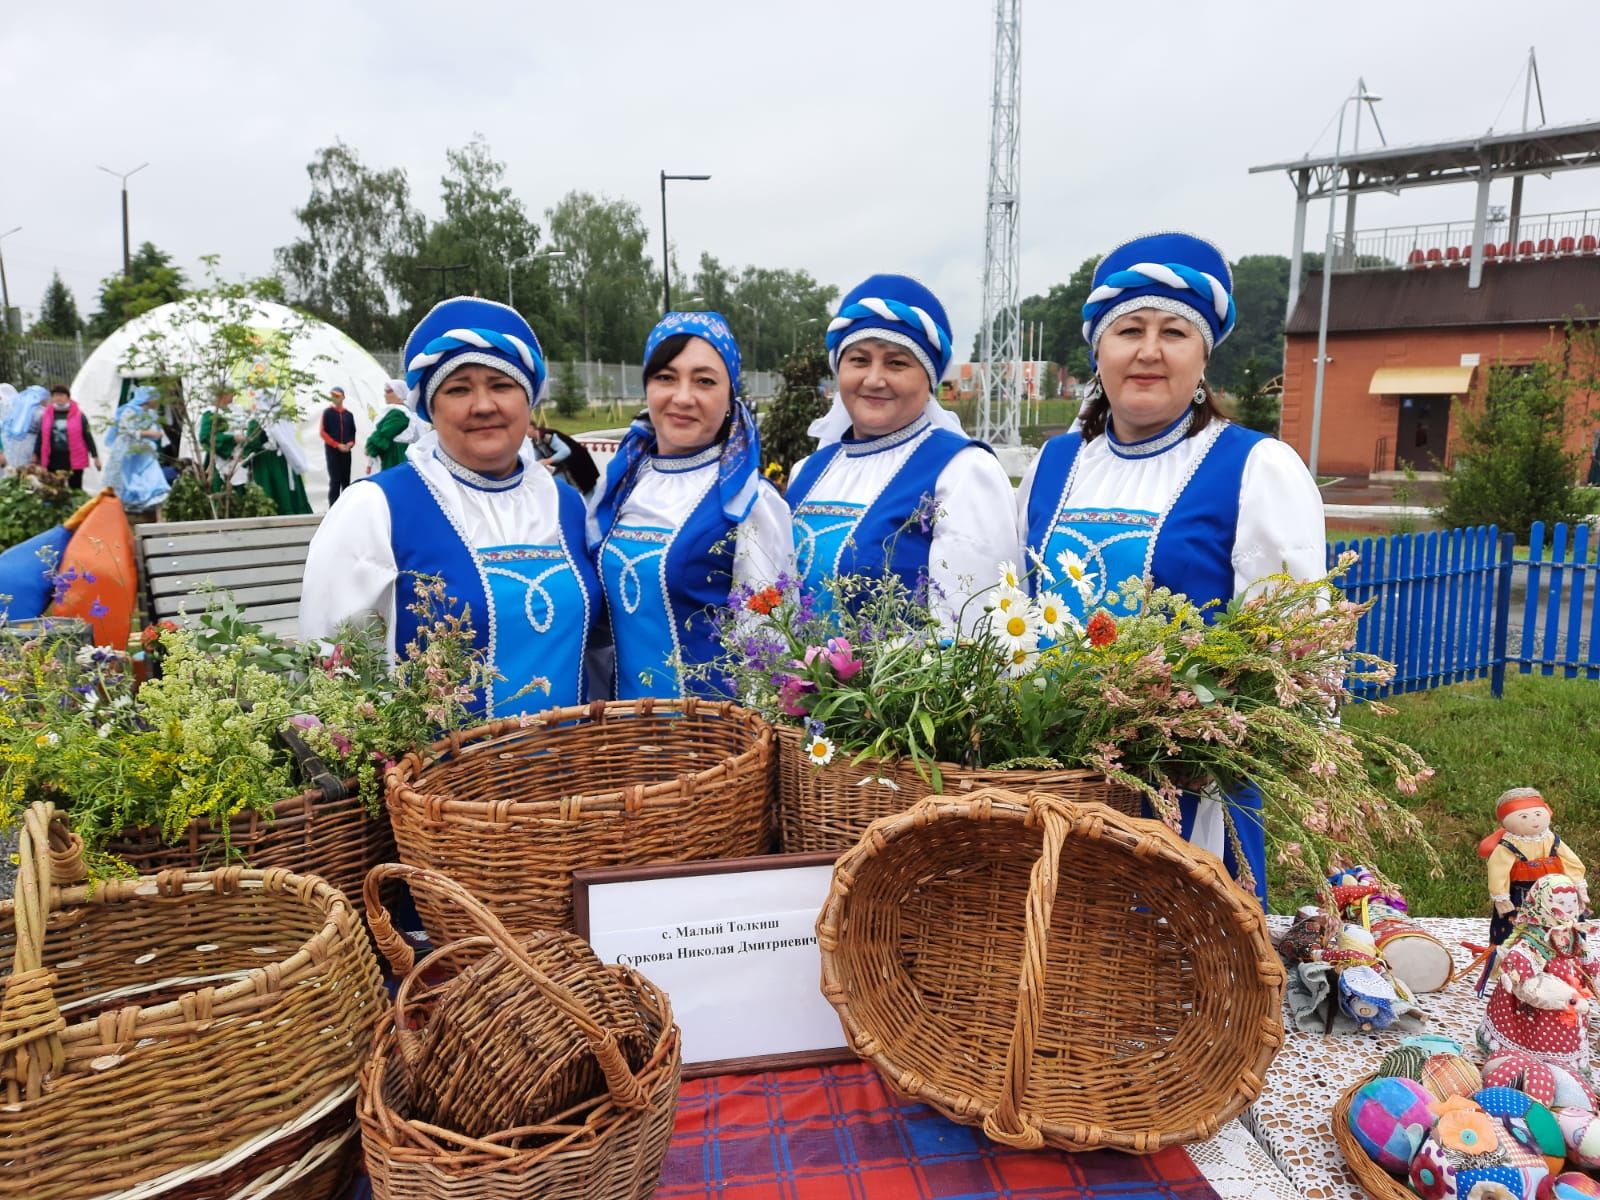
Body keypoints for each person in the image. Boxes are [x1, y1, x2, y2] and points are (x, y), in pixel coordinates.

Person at [1016, 231, 1326, 907]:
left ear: (1203, 354)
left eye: (1174, 332)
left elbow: (1294, 655)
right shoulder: (1052, 466)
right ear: (1098, 349)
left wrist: (1190, 727)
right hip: (1049, 781)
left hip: (1187, 788)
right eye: (1129, 329)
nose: (1149, 351)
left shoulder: (1255, 467)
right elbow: (1012, 609)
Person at [299, 297, 599, 718]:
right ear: (429, 407)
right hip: (443, 779)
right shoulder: (376, 508)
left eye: (502, 385)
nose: (483, 405)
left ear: (528, 400)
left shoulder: (565, 504)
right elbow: (331, 668)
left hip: (570, 776)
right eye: (458, 389)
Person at [786, 274, 1018, 631]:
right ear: (838, 370)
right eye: (859, 360)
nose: (875, 379)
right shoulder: (808, 471)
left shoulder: (963, 472)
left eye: (897, 363)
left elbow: (971, 634)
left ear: (929, 379)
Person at [591, 311, 794, 699]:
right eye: (666, 378)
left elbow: (769, 654)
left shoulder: (750, 501)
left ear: (730, 394)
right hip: (624, 742)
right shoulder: (622, 482)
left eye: (704, 381)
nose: (682, 397)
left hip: (711, 744)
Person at [101, 386, 172, 511]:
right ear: (148, 399)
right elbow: (126, 430)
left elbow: (154, 429)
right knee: (126, 478)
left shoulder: (151, 414)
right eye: (155, 398)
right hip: (128, 450)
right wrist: (146, 433)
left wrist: (156, 434)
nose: (157, 401)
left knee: (151, 475)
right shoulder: (130, 411)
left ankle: (152, 503)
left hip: (145, 452)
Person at [243, 402, 313, 515]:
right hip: (286, 458)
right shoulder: (283, 418)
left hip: (267, 461)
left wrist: (244, 452)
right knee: (286, 487)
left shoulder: (258, 419)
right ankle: (292, 510)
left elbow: (253, 442)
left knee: (274, 488)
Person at [36, 385, 101, 489]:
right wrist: (35, 454)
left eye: (62, 395)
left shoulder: (79, 415)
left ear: (68, 397)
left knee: (75, 487)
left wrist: (95, 456)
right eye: (56, 395)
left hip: (73, 457)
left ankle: (76, 505)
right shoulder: (46, 415)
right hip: (53, 458)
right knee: (54, 488)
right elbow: (41, 436)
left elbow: (87, 436)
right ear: (52, 398)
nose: (59, 398)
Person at [365, 378, 427, 474]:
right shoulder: (401, 412)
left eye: (389, 391)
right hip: (395, 455)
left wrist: (370, 448)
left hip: (394, 457)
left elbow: (384, 434)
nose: (385, 394)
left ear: (399, 394)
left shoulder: (399, 413)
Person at [199, 389, 248, 493]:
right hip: (221, 458)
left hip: (239, 457)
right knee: (222, 491)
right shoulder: (210, 413)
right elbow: (206, 437)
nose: (233, 395)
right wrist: (232, 439)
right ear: (222, 395)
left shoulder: (235, 410)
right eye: (230, 393)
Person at [533, 424, 600, 496]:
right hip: (564, 468)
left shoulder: (547, 436)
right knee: (558, 486)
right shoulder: (535, 442)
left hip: (580, 464)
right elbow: (537, 460)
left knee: (587, 492)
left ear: (531, 427)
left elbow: (565, 451)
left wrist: (547, 461)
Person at [320, 386, 357, 506]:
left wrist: (350, 443)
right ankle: (333, 508)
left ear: (343, 397)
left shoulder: (348, 415)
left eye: (337, 396)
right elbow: (323, 432)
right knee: (335, 480)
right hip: (333, 451)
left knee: (346, 480)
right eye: (333, 396)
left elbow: (352, 433)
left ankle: (346, 507)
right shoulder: (327, 413)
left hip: (346, 451)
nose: (334, 398)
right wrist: (336, 445)